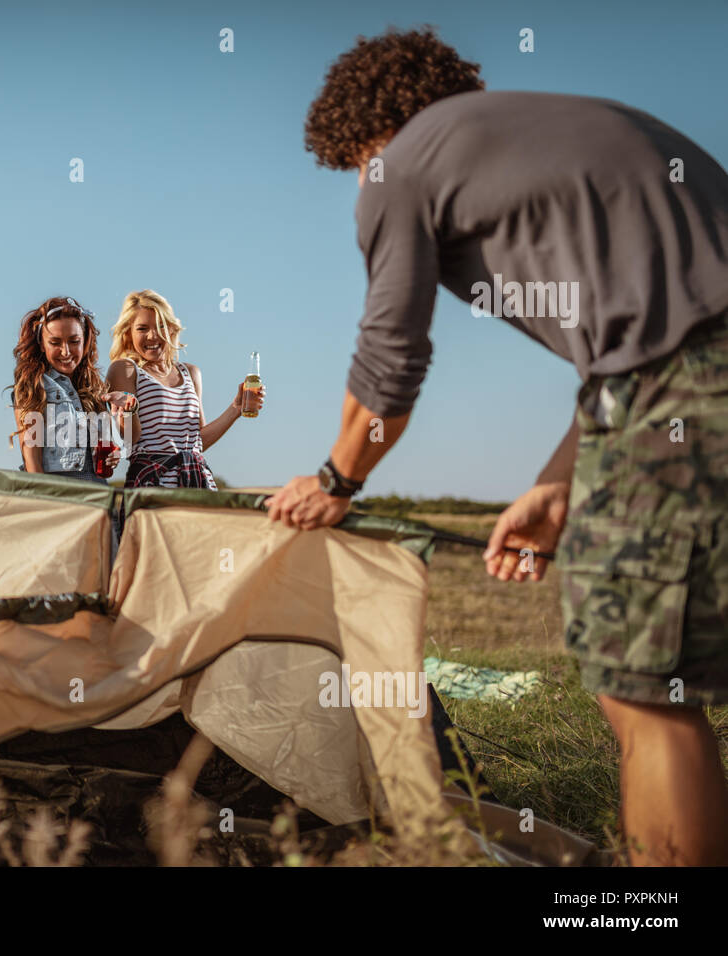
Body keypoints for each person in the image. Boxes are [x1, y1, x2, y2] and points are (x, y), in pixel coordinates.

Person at [267, 28, 728, 866]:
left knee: (644, 692)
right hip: (674, 394)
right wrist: (559, 485)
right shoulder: (574, 129)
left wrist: (337, 478)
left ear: (365, 133)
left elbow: (387, 362)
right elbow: (656, 336)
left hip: (685, 396)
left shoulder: (400, 166)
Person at [106, 289, 264, 489]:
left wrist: (236, 408)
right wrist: (128, 411)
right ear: (129, 332)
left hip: (197, 481)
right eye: (142, 328)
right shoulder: (126, 370)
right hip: (153, 483)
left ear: (172, 329)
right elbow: (130, 437)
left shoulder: (191, 373)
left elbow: (198, 442)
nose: (153, 335)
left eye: (161, 326)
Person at [11, 295, 134, 485]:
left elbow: (113, 447)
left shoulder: (95, 389)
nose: (66, 351)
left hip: (97, 493)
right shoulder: (33, 385)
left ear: (85, 341)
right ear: (42, 344)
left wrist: (112, 455)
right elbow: (32, 460)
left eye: (74, 341)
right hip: (59, 495)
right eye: (55, 342)